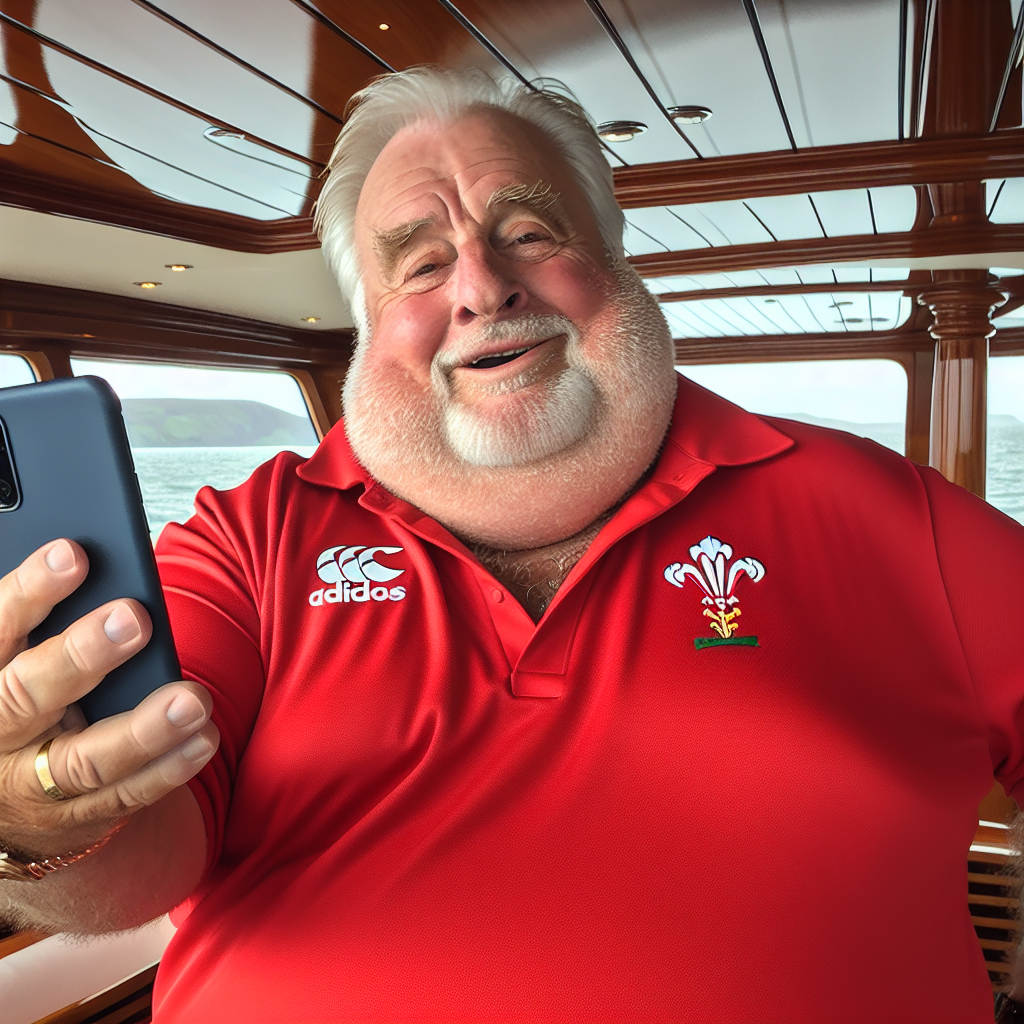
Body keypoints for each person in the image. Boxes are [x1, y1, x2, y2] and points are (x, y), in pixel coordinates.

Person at [1, 66, 1022, 1023]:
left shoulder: (892, 518)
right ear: (369, 324)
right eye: (422, 261)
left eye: (529, 232)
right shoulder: (245, 539)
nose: (482, 286)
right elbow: (139, 848)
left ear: (613, 263)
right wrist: (36, 815)